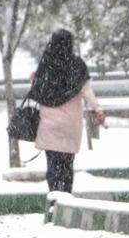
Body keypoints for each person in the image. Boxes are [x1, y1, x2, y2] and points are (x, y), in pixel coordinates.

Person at [29, 29, 106, 193]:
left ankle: (54, 200)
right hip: (70, 126)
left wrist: (34, 79)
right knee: (66, 166)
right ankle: (65, 198)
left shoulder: (45, 64)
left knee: (52, 166)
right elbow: (87, 92)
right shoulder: (77, 65)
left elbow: (37, 90)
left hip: (49, 125)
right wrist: (98, 109)